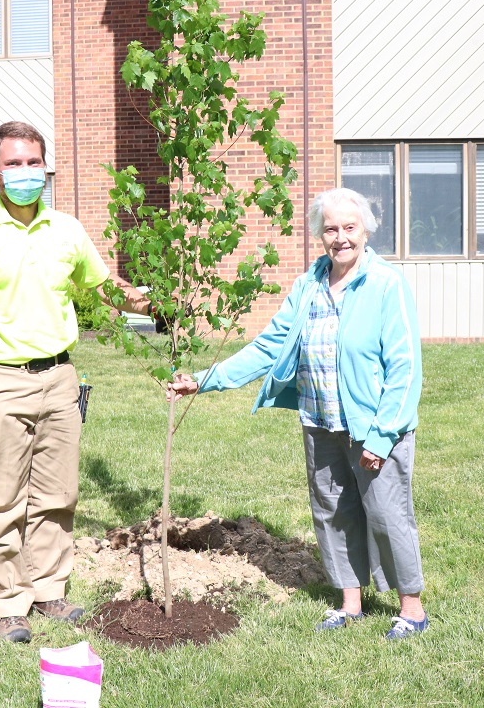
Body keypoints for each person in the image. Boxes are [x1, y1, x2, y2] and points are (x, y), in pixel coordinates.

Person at [0, 121, 150, 644]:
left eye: (33, 162)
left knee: (57, 493)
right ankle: (9, 603)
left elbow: (102, 286)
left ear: (46, 167)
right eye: (14, 163)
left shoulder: (66, 230)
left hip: (60, 378)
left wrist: (145, 301)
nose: (25, 172)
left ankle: (49, 589)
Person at [168, 187, 428, 640]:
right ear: (319, 234)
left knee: (386, 515)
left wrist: (384, 435)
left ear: (366, 230)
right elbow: (270, 346)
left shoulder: (387, 284)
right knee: (333, 514)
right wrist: (204, 378)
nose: (341, 237)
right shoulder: (309, 285)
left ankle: (412, 608)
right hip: (319, 419)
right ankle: (350, 604)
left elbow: (405, 368)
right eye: (331, 229)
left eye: (349, 227)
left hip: (373, 429)